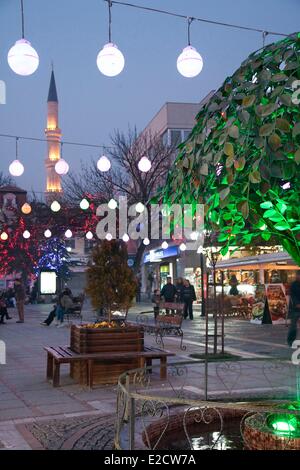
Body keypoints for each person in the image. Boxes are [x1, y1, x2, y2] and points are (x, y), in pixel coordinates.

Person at [287, 271, 300, 347]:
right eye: (297, 275)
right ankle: (291, 341)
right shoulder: (293, 285)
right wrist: (297, 304)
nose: (297, 277)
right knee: (293, 326)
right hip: (295, 308)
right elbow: (292, 296)